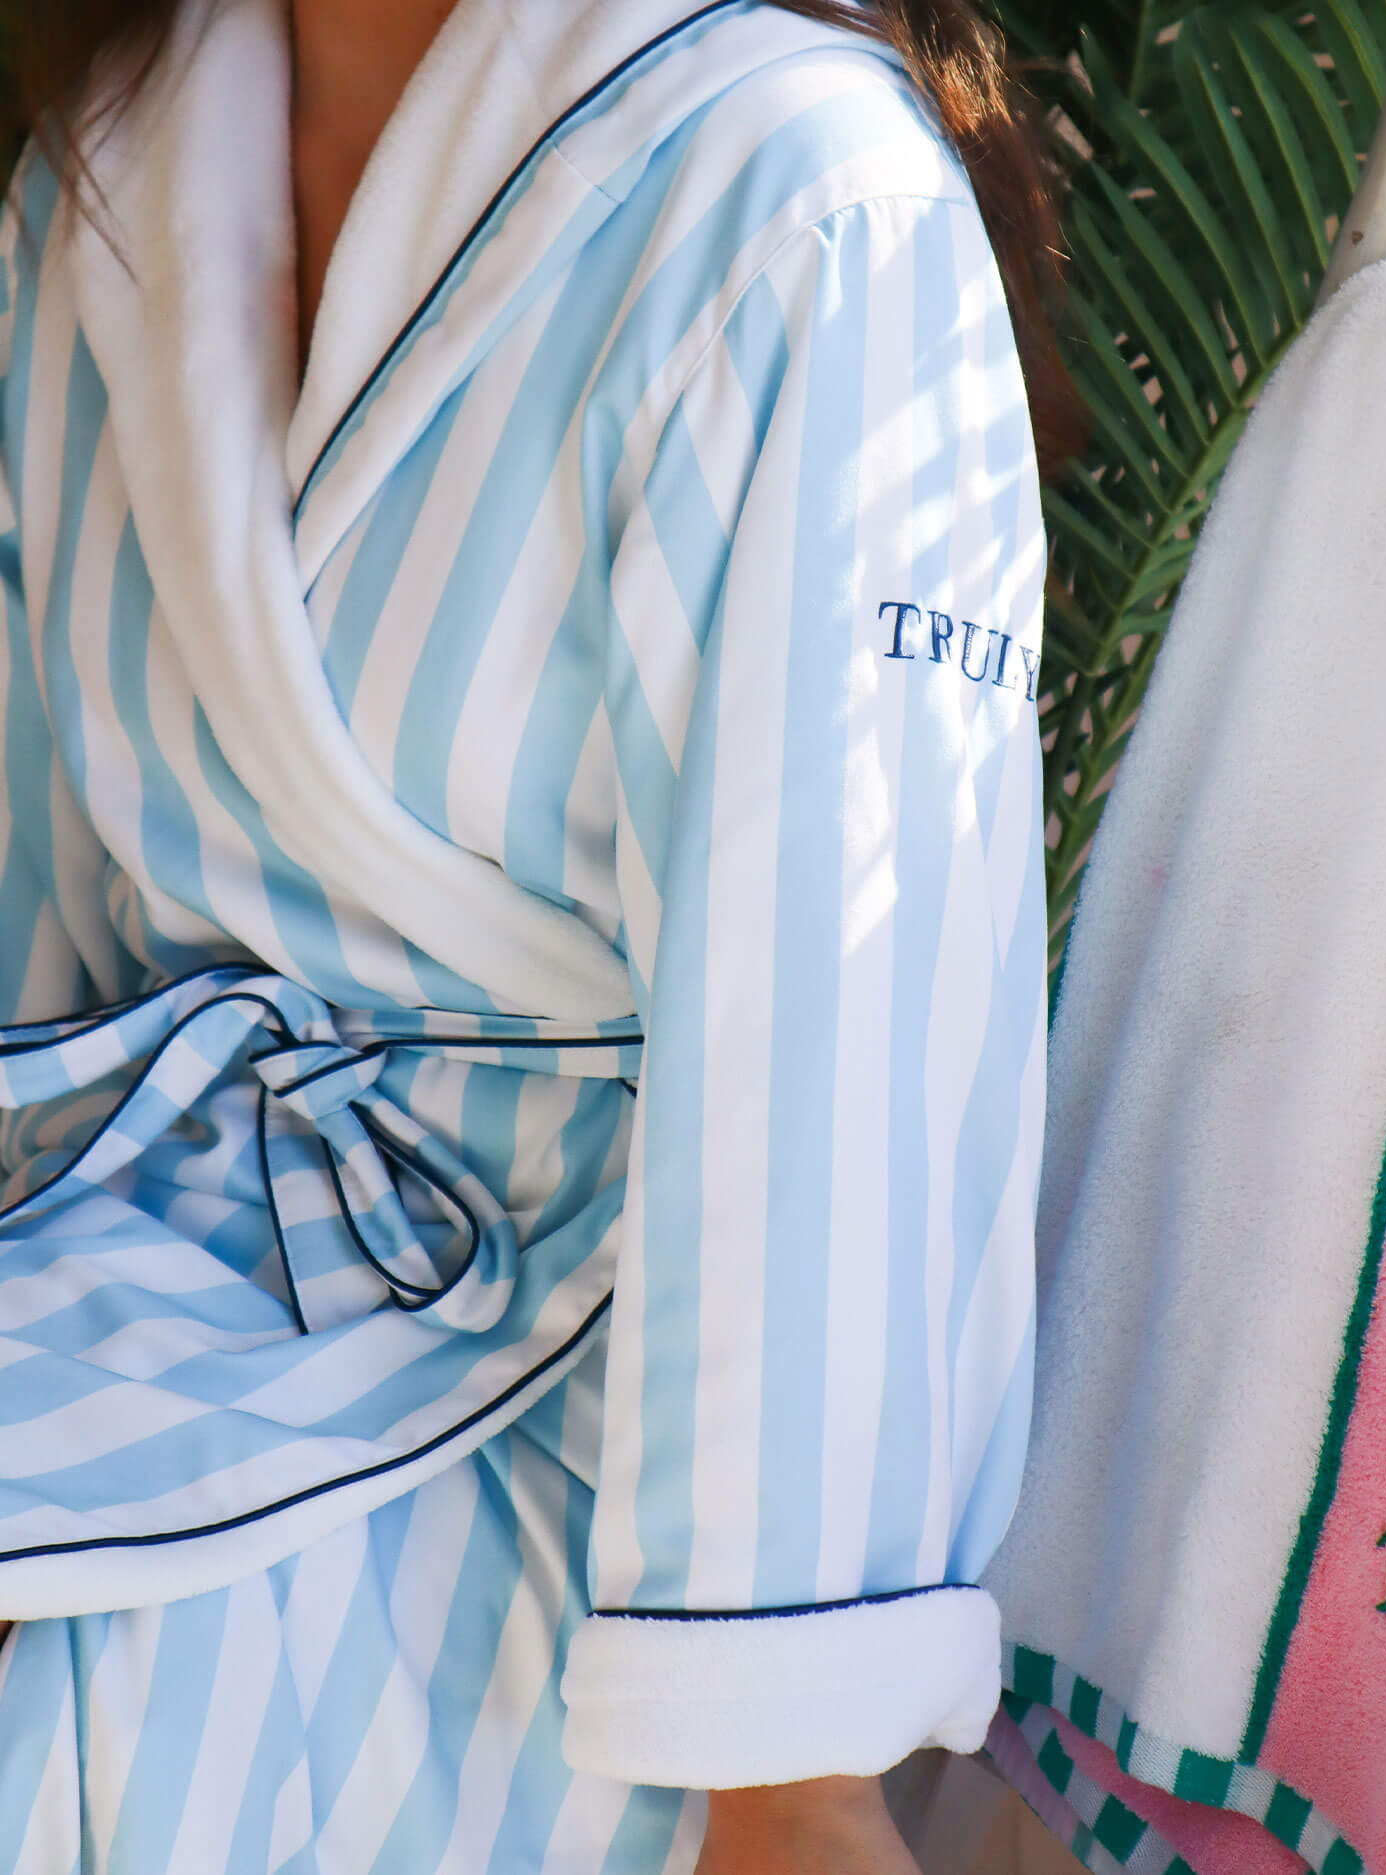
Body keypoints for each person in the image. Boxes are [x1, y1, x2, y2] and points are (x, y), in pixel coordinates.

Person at [0, 1, 1061, 1868]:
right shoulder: (100, 180)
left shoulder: (812, 220)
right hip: (131, 1291)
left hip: (582, 1468)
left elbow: (833, 1052)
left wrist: (784, 1779)